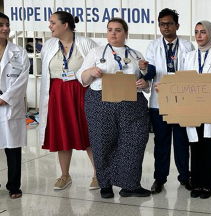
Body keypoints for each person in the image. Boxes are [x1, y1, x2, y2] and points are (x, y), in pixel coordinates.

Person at [77, 18, 155, 199]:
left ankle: (130, 185)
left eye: (118, 30)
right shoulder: (95, 53)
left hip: (132, 104)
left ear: (126, 33)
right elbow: (82, 78)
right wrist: (91, 72)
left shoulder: (136, 55)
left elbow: (145, 82)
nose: (113, 33)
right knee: (102, 142)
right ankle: (105, 184)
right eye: (110, 29)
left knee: (134, 142)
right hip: (101, 103)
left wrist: (144, 81)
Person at [39, 11, 99, 190]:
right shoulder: (49, 45)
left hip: (82, 92)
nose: (49, 26)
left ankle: (98, 175)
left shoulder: (87, 44)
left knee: (89, 133)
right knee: (62, 134)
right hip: (58, 94)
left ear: (65, 25)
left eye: (52, 22)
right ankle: (65, 175)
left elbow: (97, 66)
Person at [145, 8, 194, 194]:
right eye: (162, 24)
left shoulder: (187, 46)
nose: (165, 27)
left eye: (169, 23)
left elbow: (191, 72)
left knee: (182, 142)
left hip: (182, 102)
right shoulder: (153, 46)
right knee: (161, 142)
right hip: (160, 103)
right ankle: (159, 178)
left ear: (177, 25)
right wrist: (145, 70)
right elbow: (150, 72)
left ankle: (184, 177)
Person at [182, 20, 211, 199]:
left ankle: (209, 185)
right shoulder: (189, 57)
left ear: (210, 33)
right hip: (193, 110)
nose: (199, 36)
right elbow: (182, 81)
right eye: (196, 32)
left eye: (203, 32)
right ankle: (197, 183)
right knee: (196, 147)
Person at [0, 12, 29, 199]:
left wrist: (7, 98)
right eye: (1, 25)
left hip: (11, 105)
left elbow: (23, 78)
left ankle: (14, 186)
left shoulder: (19, 52)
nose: (6, 28)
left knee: (13, 148)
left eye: (7, 25)